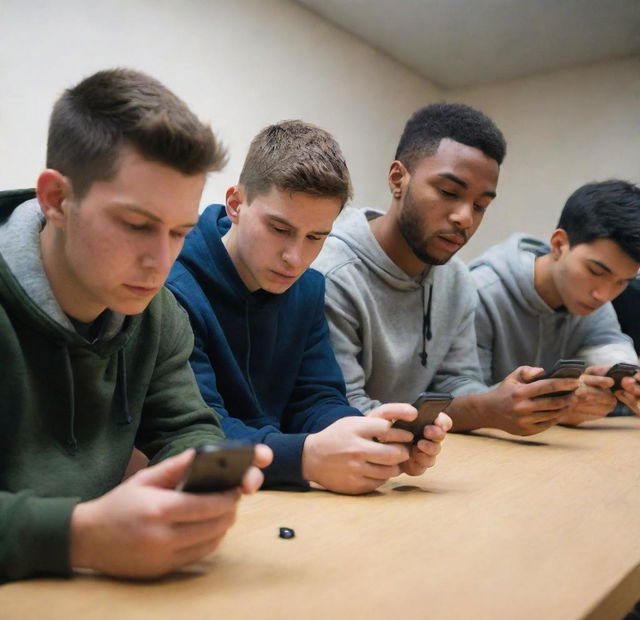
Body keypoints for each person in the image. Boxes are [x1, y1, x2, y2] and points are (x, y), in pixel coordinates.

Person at [0, 68, 271, 583]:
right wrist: (79, 535)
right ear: (57, 199)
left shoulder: (159, 312)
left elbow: (187, 428)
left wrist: (198, 487)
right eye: (137, 225)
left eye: (178, 232)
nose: (160, 261)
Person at [166, 120, 450, 495]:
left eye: (316, 237)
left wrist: (365, 438)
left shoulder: (309, 288)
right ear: (236, 203)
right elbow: (195, 431)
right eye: (279, 229)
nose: (295, 258)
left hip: (278, 494)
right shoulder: (173, 286)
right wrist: (306, 457)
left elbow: (316, 398)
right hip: (209, 490)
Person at [313, 102, 583, 437]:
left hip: (423, 454)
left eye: (481, 205)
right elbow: (345, 411)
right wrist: (483, 410)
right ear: (398, 179)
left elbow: (456, 380)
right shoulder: (332, 273)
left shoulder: (456, 279)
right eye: (448, 192)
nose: (465, 218)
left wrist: (502, 400)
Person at [470, 180, 640, 423]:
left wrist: (627, 383)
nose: (603, 295)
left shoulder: (595, 302)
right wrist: (556, 404)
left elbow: (610, 348)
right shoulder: (480, 292)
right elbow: (463, 397)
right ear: (560, 244)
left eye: (622, 281)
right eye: (596, 272)